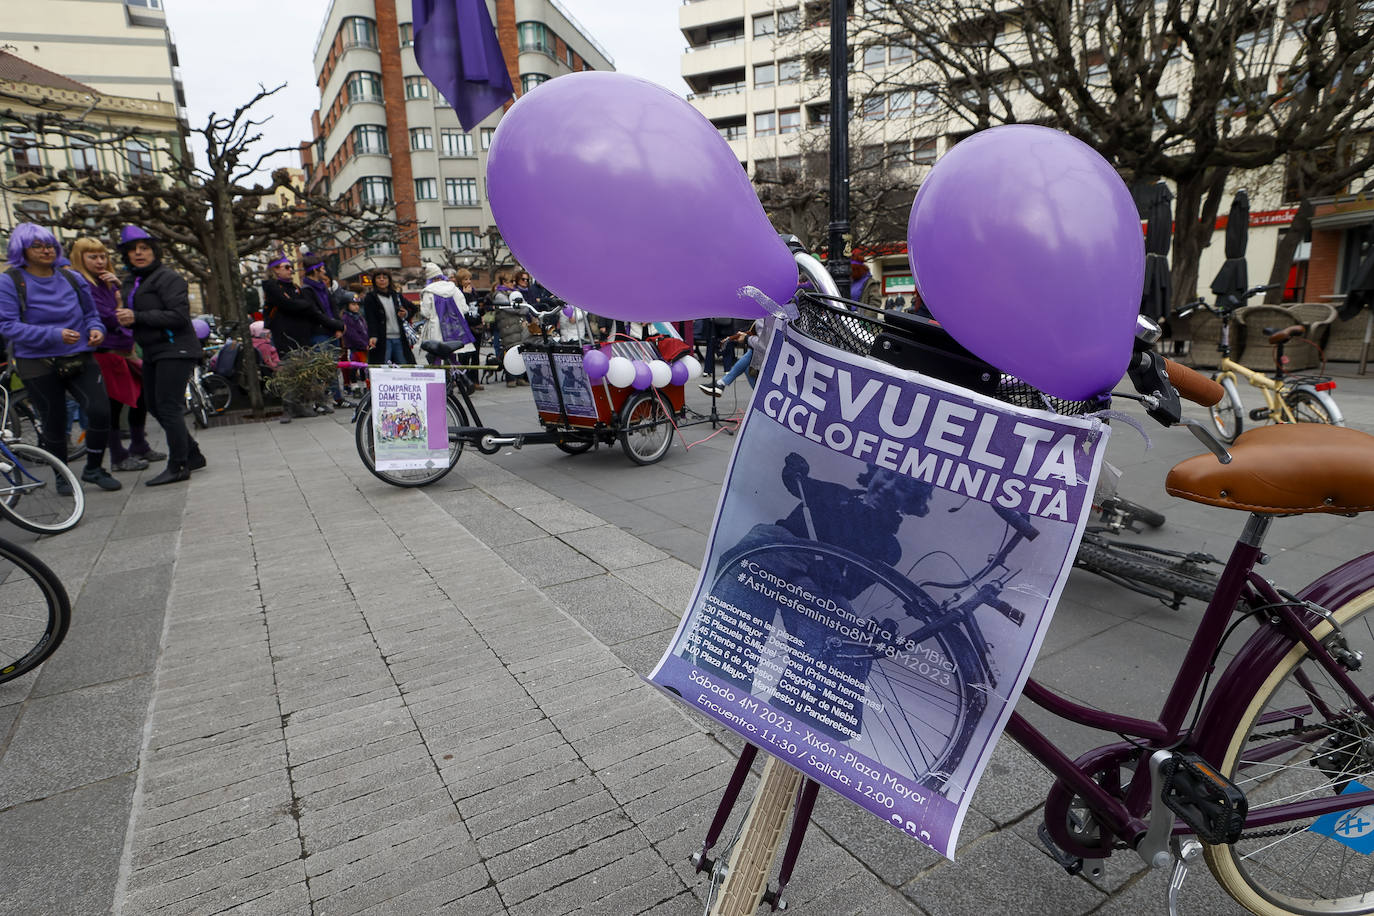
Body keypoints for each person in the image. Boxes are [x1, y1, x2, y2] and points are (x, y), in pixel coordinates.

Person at [0, 224, 120, 491]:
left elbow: (92, 315)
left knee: (100, 411)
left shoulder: (72, 278)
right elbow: (7, 326)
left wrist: (96, 330)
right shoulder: (10, 281)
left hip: (80, 357)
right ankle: (62, 476)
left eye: (50, 245)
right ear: (22, 249)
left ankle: (94, 468)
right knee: (53, 421)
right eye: (38, 246)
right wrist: (54, 335)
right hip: (37, 362)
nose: (47, 250)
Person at [113, 225, 205, 486]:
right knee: (154, 405)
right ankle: (193, 454)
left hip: (176, 348)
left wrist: (137, 317)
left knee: (168, 407)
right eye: (133, 250)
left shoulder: (168, 278)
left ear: (154, 251)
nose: (139, 253)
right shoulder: (130, 281)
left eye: (144, 248)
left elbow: (178, 316)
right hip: (154, 350)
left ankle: (178, 465)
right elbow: (133, 316)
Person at [68, 237, 164, 472]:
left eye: (103, 256)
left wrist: (120, 292)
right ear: (80, 259)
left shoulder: (106, 282)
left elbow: (126, 311)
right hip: (105, 352)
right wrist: (121, 302)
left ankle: (139, 444)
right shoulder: (84, 285)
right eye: (93, 257)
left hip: (124, 348)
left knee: (140, 399)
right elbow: (110, 317)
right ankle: (118, 456)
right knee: (112, 406)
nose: (100, 261)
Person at [299, 255, 347, 410]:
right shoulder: (306, 290)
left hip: (331, 331)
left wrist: (338, 327)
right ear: (315, 270)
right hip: (318, 333)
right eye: (322, 268)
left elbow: (333, 307)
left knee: (332, 367)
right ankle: (320, 401)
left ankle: (338, 398)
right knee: (320, 368)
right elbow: (315, 314)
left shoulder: (323, 286)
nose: (324, 271)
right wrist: (336, 325)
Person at [361, 270, 414, 366]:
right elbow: (370, 319)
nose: (382, 280)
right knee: (383, 369)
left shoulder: (396, 295)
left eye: (385, 277)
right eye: (378, 278)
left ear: (389, 280)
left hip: (400, 338)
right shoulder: (370, 297)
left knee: (405, 368)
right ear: (374, 281)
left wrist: (406, 314)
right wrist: (373, 336)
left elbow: (413, 308)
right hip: (382, 339)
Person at [699, 319, 763, 397]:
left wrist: (747, 338)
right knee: (747, 367)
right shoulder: (765, 318)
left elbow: (763, 344)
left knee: (750, 353)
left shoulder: (764, 319)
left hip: (770, 356)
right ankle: (760, 397)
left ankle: (721, 383)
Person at [491, 269, 529, 387]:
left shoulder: (515, 292)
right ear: (503, 282)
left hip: (518, 327)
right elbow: (512, 308)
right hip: (508, 328)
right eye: (510, 281)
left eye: (513, 281)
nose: (513, 283)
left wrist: (520, 308)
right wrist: (520, 308)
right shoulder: (499, 295)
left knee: (521, 350)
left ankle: (520, 378)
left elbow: (526, 307)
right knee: (510, 351)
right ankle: (510, 378)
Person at [338, 294, 371, 388]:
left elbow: (365, 331)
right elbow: (352, 334)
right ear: (346, 306)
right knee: (354, 366)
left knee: (364, 366)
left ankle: (365, 383)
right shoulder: (346, 318)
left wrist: (368, 341)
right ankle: (354, 385)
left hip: (364, 346)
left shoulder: (359, 317)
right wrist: (363, 343)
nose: (356, 307)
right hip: (355, 347)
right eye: (353, 304)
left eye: (357, 304)